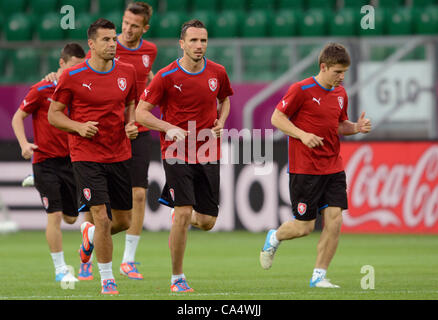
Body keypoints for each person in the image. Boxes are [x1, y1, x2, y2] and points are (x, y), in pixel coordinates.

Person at [43, 2, 157, 281]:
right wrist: (79, 127)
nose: (114, 43)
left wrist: (131, 123)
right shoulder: (73, 75)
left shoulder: (127, 71)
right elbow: (54, 115)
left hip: (118, 152)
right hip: (85, 154)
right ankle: (107, 279)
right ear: (91, 45)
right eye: (106, 39)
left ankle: (90, 233)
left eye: (113, 37)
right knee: (102, 216)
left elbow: (131, 102)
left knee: (122, 221)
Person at [260, 43, 372, 288]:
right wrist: (302, 134)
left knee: (335, 221)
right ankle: (275, 236)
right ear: (324, 66)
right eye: (337, 72)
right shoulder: (301, 89)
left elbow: (339, 125)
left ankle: (318, 276)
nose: (342, 77)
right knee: (304, 227)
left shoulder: (341, 94)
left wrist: (355, 127)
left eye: (344, 72)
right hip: (305, 169)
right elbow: (277, 118)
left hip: (333, 167)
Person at [135, 19, 233, 292]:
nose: (199, 45)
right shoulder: (166, 76)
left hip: (207, 151)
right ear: (182, 44)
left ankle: (182, 213)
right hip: (176, 152)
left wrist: (221, 121)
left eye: (203, 40)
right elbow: (140, 113)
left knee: (207, 222)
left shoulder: (218, 72)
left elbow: (225, 99)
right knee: (182, 214)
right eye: (193, 40)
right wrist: (168, 127)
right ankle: (177, 278)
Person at [11, 43, 86, 283]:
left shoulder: (79, 92)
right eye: (73, 67)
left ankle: (40, 184)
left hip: (71, 161)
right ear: (61, 64)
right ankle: (61, 268)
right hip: (44, 161)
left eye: (80, 68)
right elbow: (17, 117)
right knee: (54, 215)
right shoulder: (42, 89)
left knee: (71, 218)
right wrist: (24, 144)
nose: (76, 71)